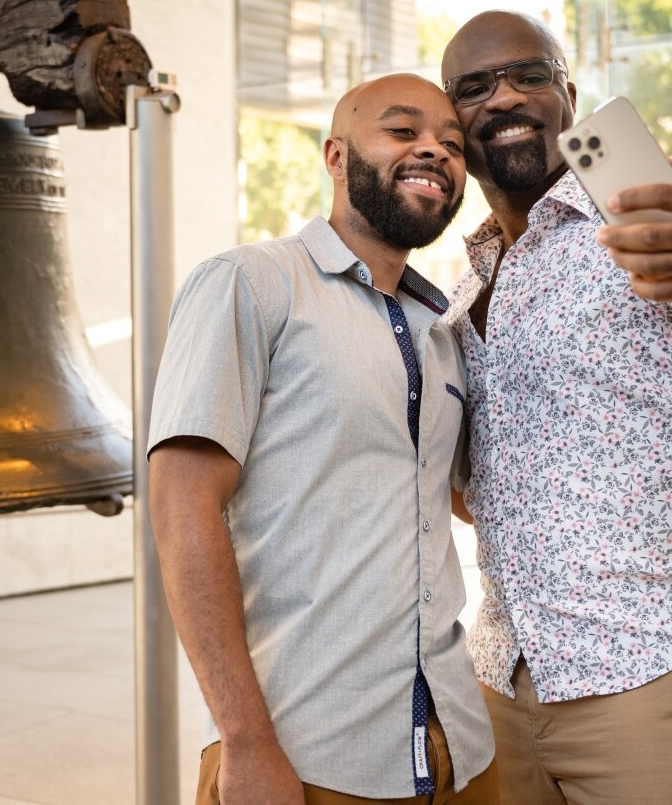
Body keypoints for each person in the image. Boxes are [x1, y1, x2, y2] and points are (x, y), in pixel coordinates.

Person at [439, 10, 672, 805]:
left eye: (529, 75)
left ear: (570, 97)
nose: (503, 96)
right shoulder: (466, 284)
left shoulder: (645, 214)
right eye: (475, 88)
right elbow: (485, 487)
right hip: (504, 679)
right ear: (456, 124)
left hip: (658, 669)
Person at [148, 72, 498, 805]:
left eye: (452, 143)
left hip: (460, 748)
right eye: (402, 131)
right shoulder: (249, 284)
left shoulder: (444, 330)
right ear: (336, 156)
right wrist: (244, 739)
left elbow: (463, 501)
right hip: (305, 752)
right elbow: (182, 509)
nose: (434, 150)